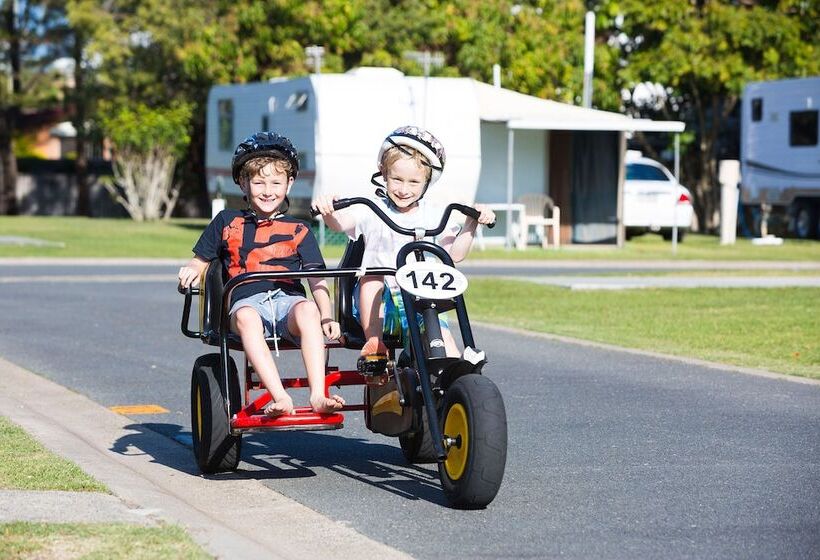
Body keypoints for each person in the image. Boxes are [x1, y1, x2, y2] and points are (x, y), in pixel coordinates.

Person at [178, 132, 345, 417]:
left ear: (289, 184)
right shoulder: (227, 221)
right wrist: (191, 270)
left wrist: (326, 316)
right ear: (243, 183)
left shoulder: (299, 229)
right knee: (246, 317)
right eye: (258, 182)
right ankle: (280, 397)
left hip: (287, 302)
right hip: (245, 303)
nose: (268, 191)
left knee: (307, 311)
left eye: (276, 183)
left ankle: (318, 394)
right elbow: (200, 260)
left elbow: (317, 280)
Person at [312, 125, 495, 360]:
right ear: (383, 173)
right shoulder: (371, 208)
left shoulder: (435, 214)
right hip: (380, 306)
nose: (404, 189)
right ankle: (375, 345)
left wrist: (472, 223)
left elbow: (454, 255)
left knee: (446, 345)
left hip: (422, 299)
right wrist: (328, 210)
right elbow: (340, 223)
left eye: (413, 182)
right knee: (372, 278)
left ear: (427, 181)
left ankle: (452, 375)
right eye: (397, 179)